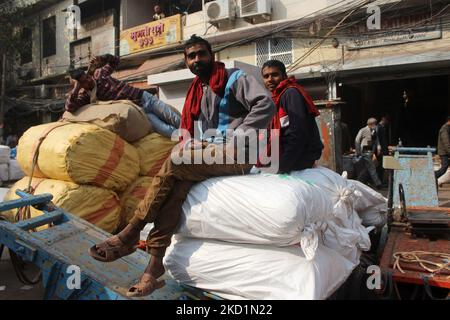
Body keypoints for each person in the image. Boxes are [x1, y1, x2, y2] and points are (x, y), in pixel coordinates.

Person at [89, 35, 276, 297]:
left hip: (237, 155)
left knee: (175, 162)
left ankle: (132, 231)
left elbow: (265, 104)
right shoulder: (199, 89)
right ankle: (153, 269)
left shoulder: (234, 79)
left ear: (212, 55)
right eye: (191, 56)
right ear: (186, 61)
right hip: (212, 152)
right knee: (176, 192)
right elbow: (196, 128)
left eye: (201, 54)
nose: (197, 60)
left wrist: (238, 136)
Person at [65, 54, 180, 138]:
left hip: (145, 98)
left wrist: (102, 58)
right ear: (80, 85)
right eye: (84, 81)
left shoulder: (99, 74)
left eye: (87, 77)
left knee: (175, 119)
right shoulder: (87, 96)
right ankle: (188, 142)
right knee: (166, 130)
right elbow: (70, 107)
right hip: (140, 111)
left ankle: (197, 135)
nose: (89, 80)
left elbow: (115, 61)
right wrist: (76, 88)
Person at [261, 60, 323, 173]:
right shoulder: (276, 98)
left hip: (299, 157)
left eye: (274, 75)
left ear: (284, 76)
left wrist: (282, 166)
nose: (270, 79)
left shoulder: (290, 94)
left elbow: (298, 132)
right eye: (266, 76)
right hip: (288, 155)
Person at [354, 118, 383, 189]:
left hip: (371, 151)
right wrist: (358, 152)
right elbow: (357, 140)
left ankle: (358, 181)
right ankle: (378, 183)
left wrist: (378, 147)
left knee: (367, 167)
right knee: (372, 167)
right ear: (370, 124)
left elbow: (376, 139)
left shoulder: (374, 131)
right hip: (365, 152)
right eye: (374, 124)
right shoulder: (363, 130)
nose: (375, 125)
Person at [375, 115, 390, 182]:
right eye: (386, 120)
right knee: (380, 165)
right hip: (381, 150)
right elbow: (377, 139)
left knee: (382, 165)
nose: (387, 122)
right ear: (383, 119)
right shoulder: (378, 127)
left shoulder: (383, 128)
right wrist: (379, 148)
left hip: (383, 149)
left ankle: (380, 179)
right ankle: (379, 180)